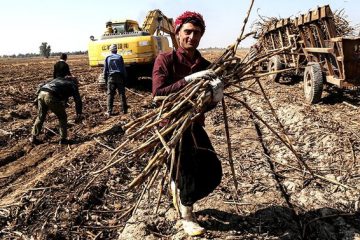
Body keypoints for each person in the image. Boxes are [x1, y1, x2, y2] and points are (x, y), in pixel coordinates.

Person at [152, 11, 223, 236]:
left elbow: (205, 105)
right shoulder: (166, 59)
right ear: (178, 33)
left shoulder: (206, 64)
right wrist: (188, 80)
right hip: (172, 126)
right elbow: (158, 94)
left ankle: (181, 193)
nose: (192, 37)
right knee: (187, 173)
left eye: (197, 33)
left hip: (194, 125)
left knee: (213, 172)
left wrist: (215, 97)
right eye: (188, 32)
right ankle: (187, 215)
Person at [29, 77, 82, 145]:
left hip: (41, 93)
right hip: (51, 96)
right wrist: (79, 113)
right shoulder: (73, 85)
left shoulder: (59, 80)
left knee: (40, 116)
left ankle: (33, 137)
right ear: (75, 82)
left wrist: (36, 99)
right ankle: (63, 139)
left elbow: (42, 85)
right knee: (62, 117)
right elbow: (78, 101)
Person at [103, 44, 128, 116]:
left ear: (110, 50)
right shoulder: (120, 57)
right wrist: (125, 78)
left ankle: (109, 111)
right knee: (121, 94)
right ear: (116, 50)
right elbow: (123, 69)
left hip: (111, 77)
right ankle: (124, 110)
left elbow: (105, 70)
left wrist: (105, 79)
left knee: (110, 95)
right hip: (119, 77)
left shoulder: (107, 57)